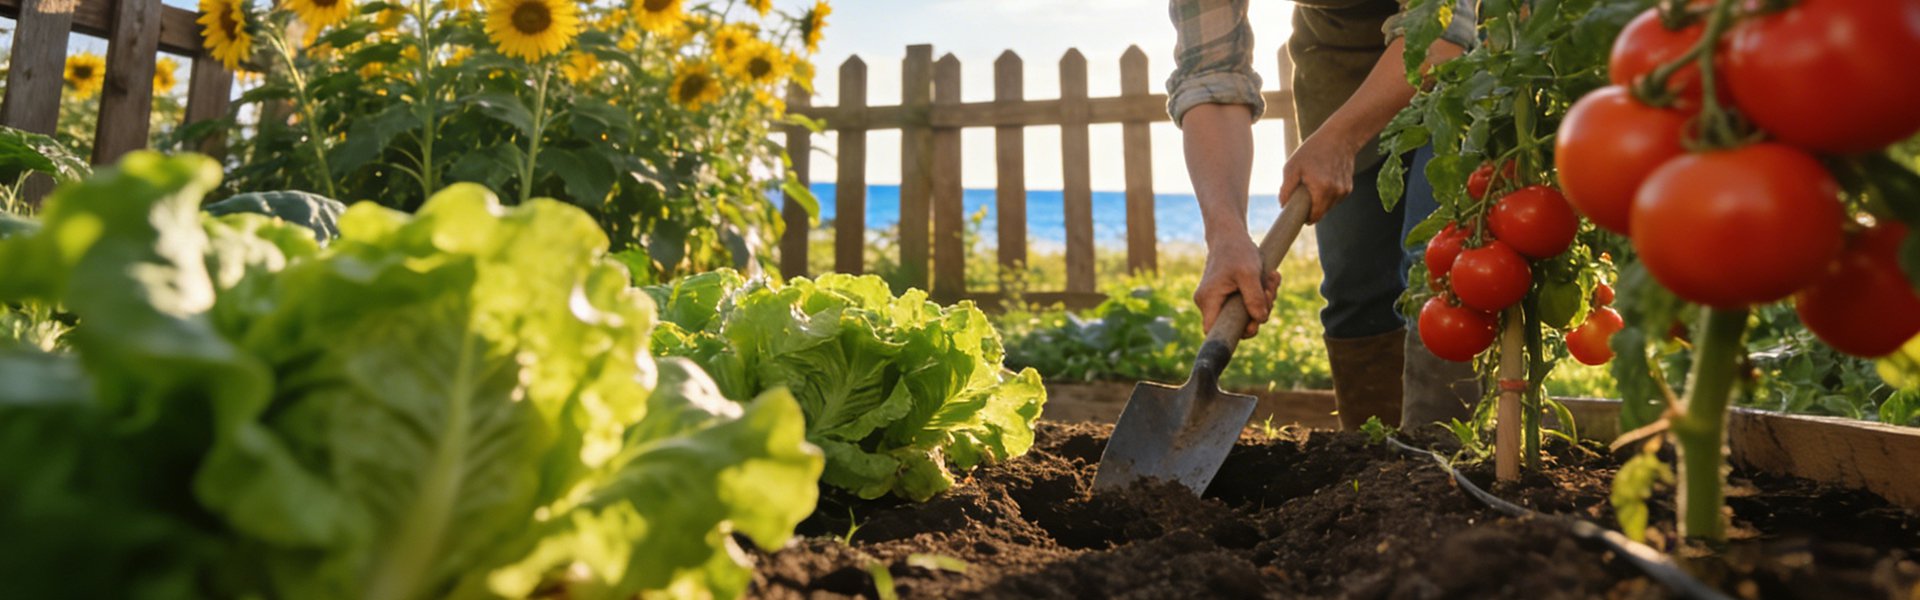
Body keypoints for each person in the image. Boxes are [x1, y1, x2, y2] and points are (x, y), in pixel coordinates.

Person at [1167, 0, 1481, 430]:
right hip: (1339, 55)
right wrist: (1225, 234)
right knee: (1356, 287)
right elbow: (1211, 79)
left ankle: (1443, 458)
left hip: (1470, 40)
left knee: (1439, 268)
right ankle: (1374, 462)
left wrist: (1341, 139)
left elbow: (1440, 33)